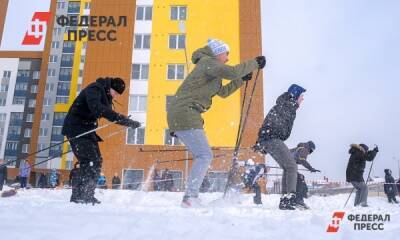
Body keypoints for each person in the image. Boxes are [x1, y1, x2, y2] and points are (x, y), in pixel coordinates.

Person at [167, 38, 265, 207]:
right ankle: (190, 197)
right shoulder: (208, 62)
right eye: (226, 54)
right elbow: (233, 71)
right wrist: (254, 63)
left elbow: (224, 92)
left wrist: (242, 79)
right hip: (185, 112)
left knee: (203, 155)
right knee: (204, 155)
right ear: (218, 52)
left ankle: (191, 196)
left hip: (185, 113)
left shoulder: (211, 69)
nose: (227, 58)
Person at [62, 77, 141, 204]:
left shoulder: (105, 96)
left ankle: (86, 194)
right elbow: (98, 109)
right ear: (110, 88)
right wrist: (125, 120)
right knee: (89, 161)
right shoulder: (95, 89)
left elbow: (107, 112)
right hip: (76, 129)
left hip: (87, 131)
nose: (115, 96)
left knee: (96, 161)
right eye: (115, 93)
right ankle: (81, 196)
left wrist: (126, 122)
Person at [253, 84, 306, 210]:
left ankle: (285, 199)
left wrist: (262, 140)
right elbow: (274, 125)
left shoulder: (285, 105)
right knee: (292, 166)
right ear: (295, 95)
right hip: (272, 139)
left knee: (288, 167)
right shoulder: (287, 106)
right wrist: (262, 140)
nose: (302, 99)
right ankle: (288, 198)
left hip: (269, 139)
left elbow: (272, 124)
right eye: (301, 97)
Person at [290, 141, 319, 208]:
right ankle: (299, 200)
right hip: (290, 167)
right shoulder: (305, 149)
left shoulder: (298, 148)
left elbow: (288, 153)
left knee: (298, 179)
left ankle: (294, 200)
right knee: (300, 180)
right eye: (311, 150)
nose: (310, 152)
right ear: (310, 148)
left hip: (288, 166)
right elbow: (303, 161)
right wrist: (311, 168)